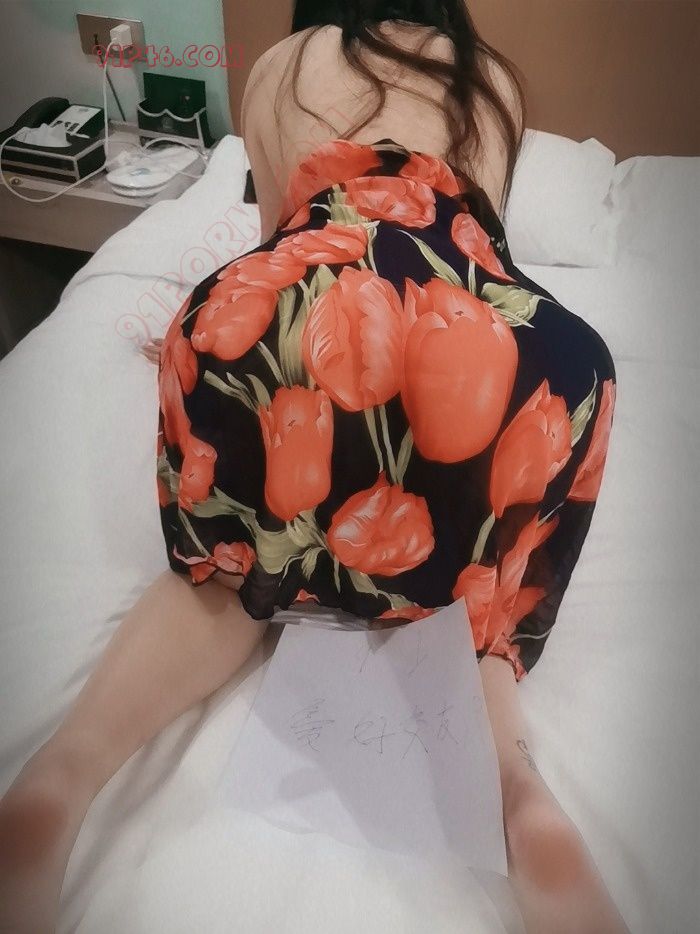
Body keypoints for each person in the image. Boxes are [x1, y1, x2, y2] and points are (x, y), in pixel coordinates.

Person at [0, 3, 628, 932]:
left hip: (297, 300)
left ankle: (61, 778)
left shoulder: (282, 64)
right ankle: (517, 795)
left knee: (223, 578)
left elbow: (282, 242)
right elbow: (482, 250)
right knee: (479, 612)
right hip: (504, 342)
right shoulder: (487, 75)